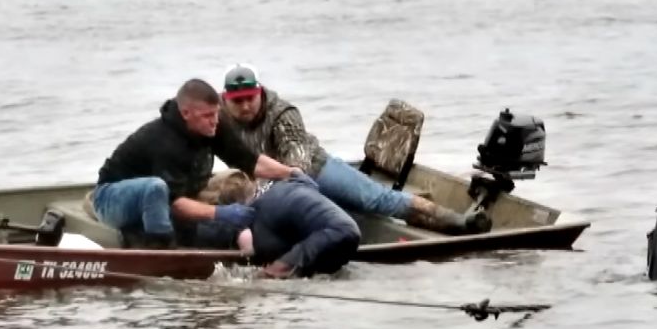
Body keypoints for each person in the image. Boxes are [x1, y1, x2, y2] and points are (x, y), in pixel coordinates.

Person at [218, 63, 491, 235]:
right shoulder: (216, 118)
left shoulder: (283, 114)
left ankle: (457, 221)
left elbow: (297, 165)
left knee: (377, 200)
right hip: (271, 187)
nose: (244, 106)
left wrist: (265, 192)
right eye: (237, 101)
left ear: (260, 92)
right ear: (225, 99)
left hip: (315, 170)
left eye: (249, 99)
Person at [92, 78, 302, 249]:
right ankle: (159, 247)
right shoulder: (164, 142)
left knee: (234, 186)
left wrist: (291, 173)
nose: (215, 121)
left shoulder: (213, 125)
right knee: (156, 190)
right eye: (208, 116)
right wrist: (222, 214)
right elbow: (175, 204)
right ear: (186, 114)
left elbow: (251, 162)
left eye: (217, 114)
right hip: (112, 198)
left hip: (173, 196)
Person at [199, 168, 361, 278]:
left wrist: (276, 267)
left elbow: (261, 250)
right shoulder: (290, 183)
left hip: (336, 233)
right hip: (345, 231)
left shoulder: (258, 213)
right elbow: (302, 176)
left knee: (264, 276)